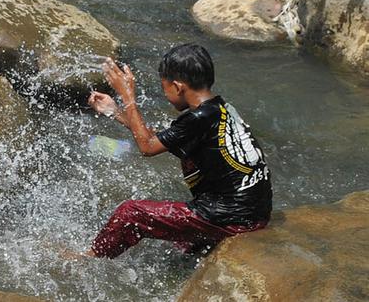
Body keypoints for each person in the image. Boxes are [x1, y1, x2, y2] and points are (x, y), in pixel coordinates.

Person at [84, 44, 272, 258]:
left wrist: (129, 98)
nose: (165, 94)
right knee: (179, 250)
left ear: (177, 86)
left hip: (232, 219)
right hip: (252, 213)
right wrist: (114, 112)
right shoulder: (218, 110)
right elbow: (155, 139)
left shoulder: (198, 119)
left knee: (131, 214)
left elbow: (147, 147)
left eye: (165, 88)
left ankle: (87, 260)